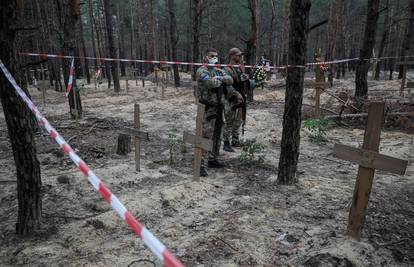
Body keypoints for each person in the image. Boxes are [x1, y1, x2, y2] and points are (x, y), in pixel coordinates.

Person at [196, 48, 237, 177]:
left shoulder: (217, 70)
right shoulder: (201, 70)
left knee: (217, 134)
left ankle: (213, 158)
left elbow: (230, 80)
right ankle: (201, 164)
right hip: (207, 108)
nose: (214, 58)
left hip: (219, 107)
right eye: (212, 56)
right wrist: (220, 80)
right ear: (206, 57)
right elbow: (210, 83)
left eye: (216, 56)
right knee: (206, 135)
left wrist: (220, 77)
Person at [222, 48, 264, 152]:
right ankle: (226, 143)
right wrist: (236, 94)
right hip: (231, 99)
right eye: (238, 55)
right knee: (229, 122)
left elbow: (244, 82)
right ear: (232, 56)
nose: (240, 57)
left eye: (241, 55)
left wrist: (256, 82)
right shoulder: (227, 69)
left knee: (238, 121)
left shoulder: (239, 68)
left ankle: (235, 140)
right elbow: (227, 85)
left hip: (241, 100)